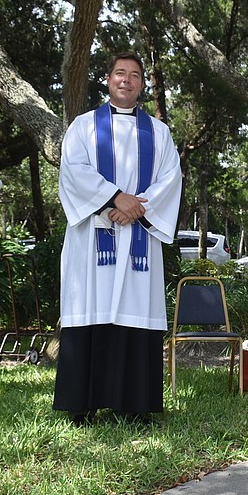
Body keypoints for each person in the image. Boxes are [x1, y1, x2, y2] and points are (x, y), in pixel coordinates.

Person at [54, 52, 183, 425]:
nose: (126, 80)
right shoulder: (83, 126)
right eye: (119, 73)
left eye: (135, 75)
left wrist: (135, 208)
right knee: (91, 313)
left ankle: (136, 406)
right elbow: (73, 171)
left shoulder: (158, 132)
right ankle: (82, 407)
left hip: (138, 239)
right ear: (108, 79)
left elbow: (170, 178)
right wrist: (115, 198)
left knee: (134, 315)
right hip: (93, 237)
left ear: (142, 84)